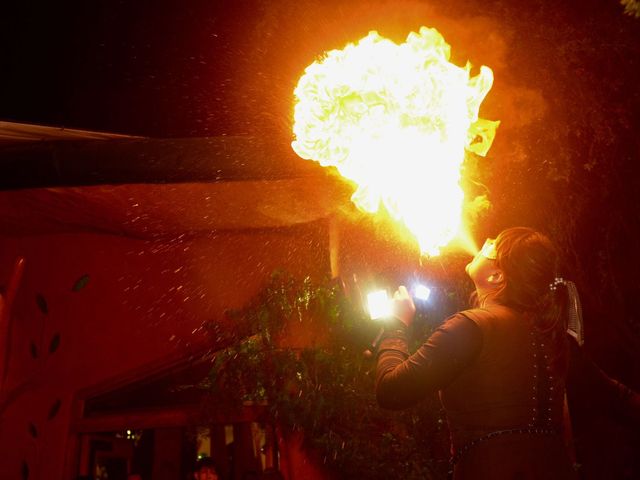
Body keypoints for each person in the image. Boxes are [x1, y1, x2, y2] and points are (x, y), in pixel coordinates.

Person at [375, 227, 577, 479]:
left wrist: (396, 325)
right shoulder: (551, 334)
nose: (487, 239)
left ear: (496, 276)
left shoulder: (472, 326)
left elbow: (391, 391)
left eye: (493, 245)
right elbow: (614, 396)